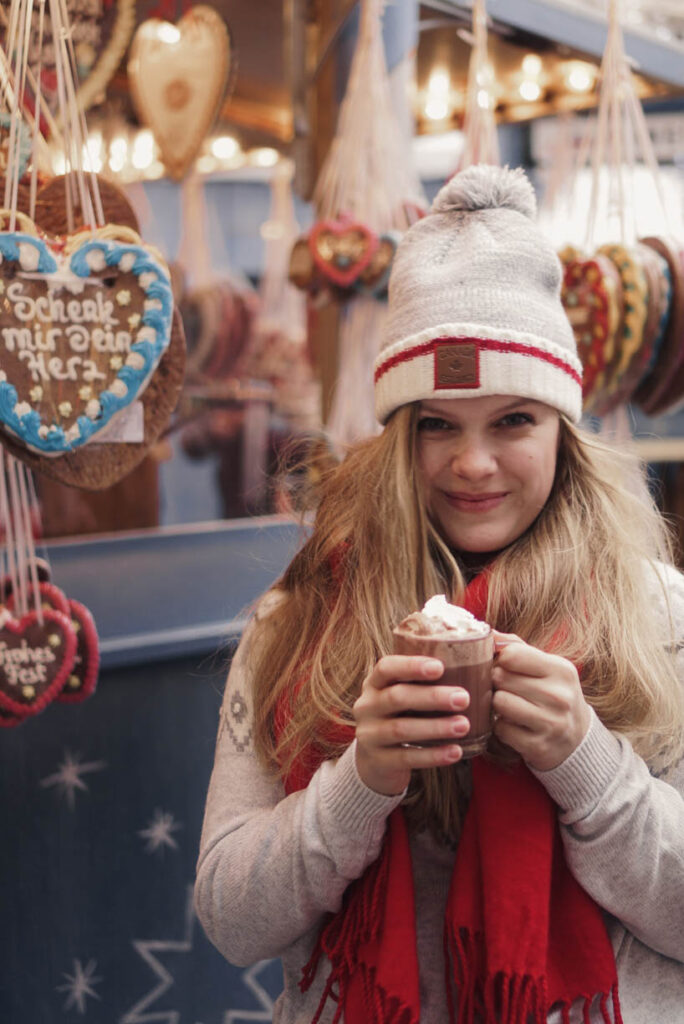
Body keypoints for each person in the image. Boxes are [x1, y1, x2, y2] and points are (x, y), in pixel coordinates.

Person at [195, 164, 684, 1023]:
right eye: (437, 426)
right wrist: (359, 782)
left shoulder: (660, 617)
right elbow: (232, 920)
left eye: (513, 421)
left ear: (563, 431)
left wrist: (592, 768)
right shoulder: (297, 621)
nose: (473, 463)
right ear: (395, 438)